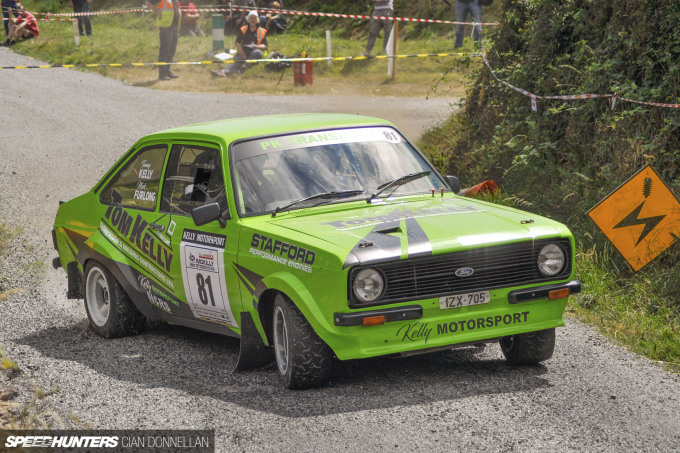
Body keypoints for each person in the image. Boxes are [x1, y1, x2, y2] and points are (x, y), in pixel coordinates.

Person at [211, 10, 267, 77]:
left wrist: (258, 47)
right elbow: (237, 42)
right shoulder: (244, 29)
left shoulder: (261, 30)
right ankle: (224, 72)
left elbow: (265, 45)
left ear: (257, 20)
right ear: (248, 20)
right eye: (251, 18)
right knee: (235, 61)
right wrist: (243, 54)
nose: (252, 20)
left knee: (258, 52)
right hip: (244, 51)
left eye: (254, 18)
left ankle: (243, 66)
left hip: (255, 51)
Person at [145, 0, 180, 81]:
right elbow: (147, 2)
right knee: (165, 51)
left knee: (172, 50)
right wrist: (156, 10)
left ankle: (167, 71)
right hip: (165, 26)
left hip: (174, 26)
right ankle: (162, 74)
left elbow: (177, 7)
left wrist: (179, 12)